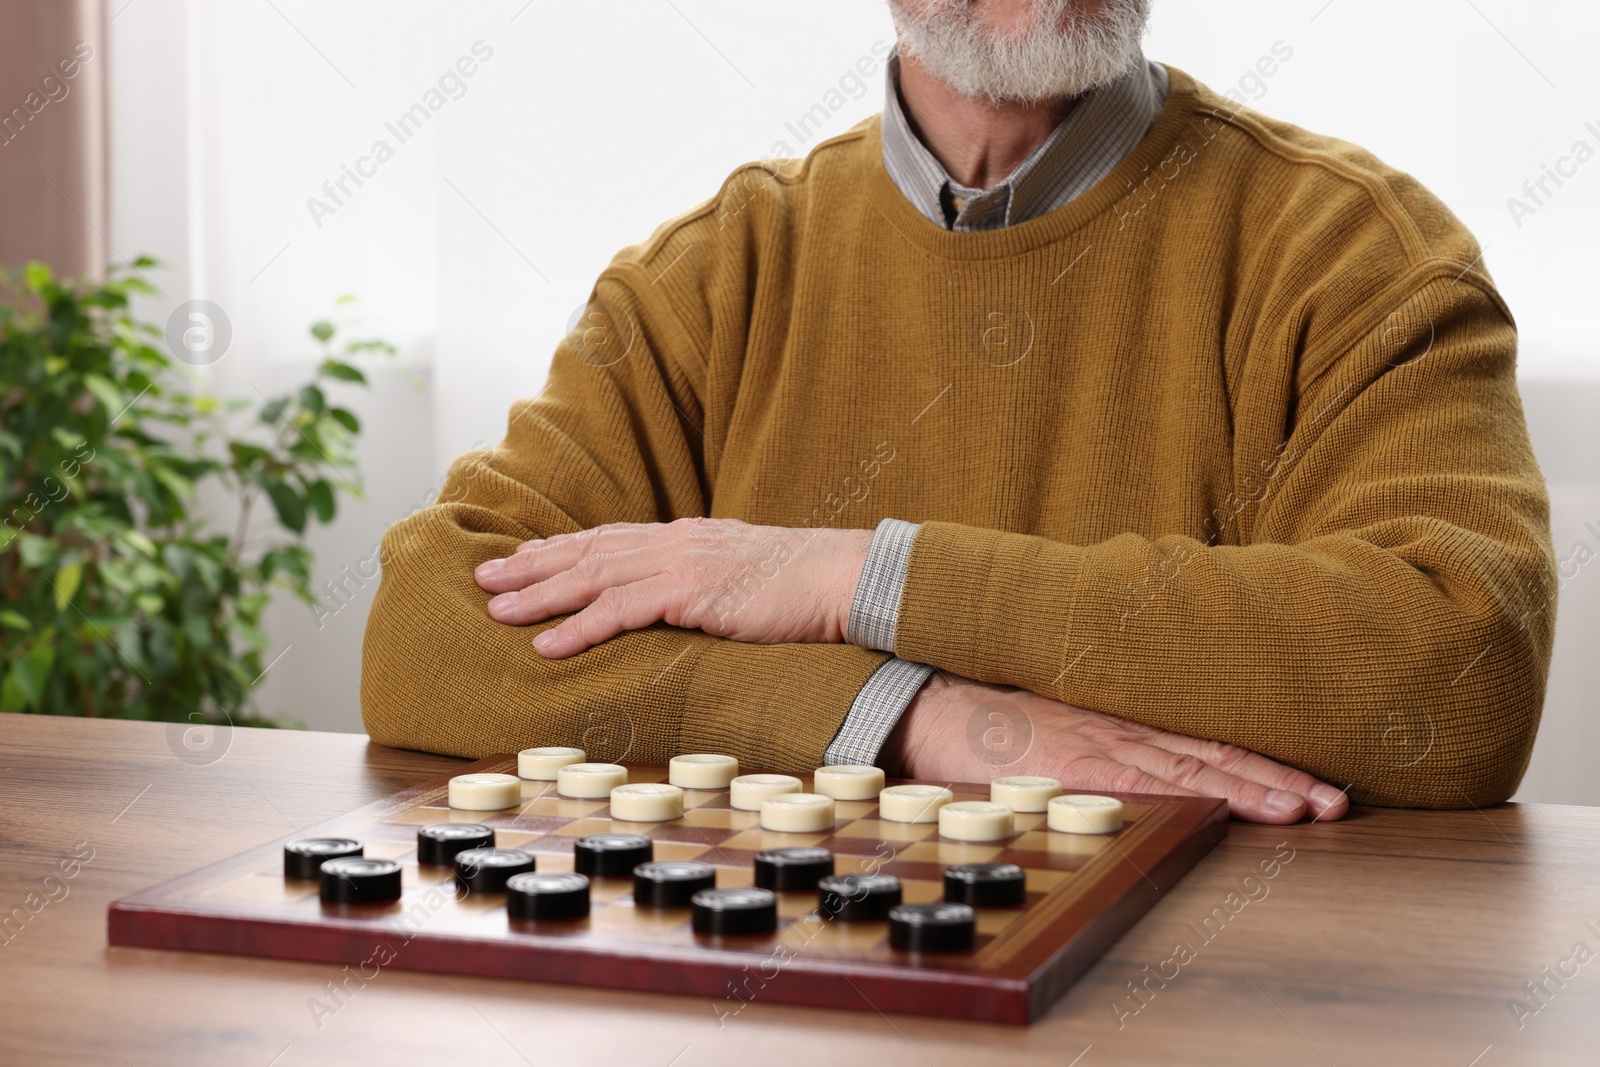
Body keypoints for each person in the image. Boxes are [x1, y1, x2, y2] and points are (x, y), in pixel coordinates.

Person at [361, 0, 1556, 824]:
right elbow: (427, 631)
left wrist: (852, 577)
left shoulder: (1359, 256)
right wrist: (902, 712)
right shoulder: (713, 275)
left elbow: (1458, 669)